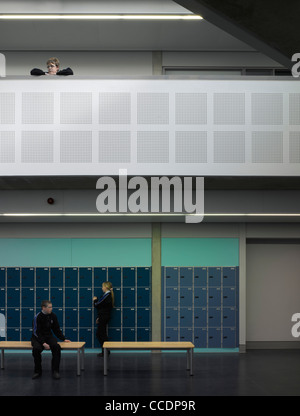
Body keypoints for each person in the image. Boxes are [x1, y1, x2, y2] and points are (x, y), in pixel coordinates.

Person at [31, 300, 71, 380]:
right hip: (37, 337)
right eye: (49, 307)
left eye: (51, 307)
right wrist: (43, 343)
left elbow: (56, 329)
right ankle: (37, 371)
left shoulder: (53, 316)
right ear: (43, 308)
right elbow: (36, 332)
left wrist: (63, 338)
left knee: (56, 347)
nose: (51, 309)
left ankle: (55, 371)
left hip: (48, 336)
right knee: (36, 349)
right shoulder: (37, 317)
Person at [93, 282, 114, 357]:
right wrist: (99, 317)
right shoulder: (106, 295)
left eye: (102, 287)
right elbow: (102, 307)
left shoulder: (106, 296)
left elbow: (97, 305)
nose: (102, 288)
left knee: (101, 334)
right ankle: (105, 351)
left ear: (106, 287)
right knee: (101, 334)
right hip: (103, 316)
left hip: (104, 317)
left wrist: (95, 300)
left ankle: (106, 350)